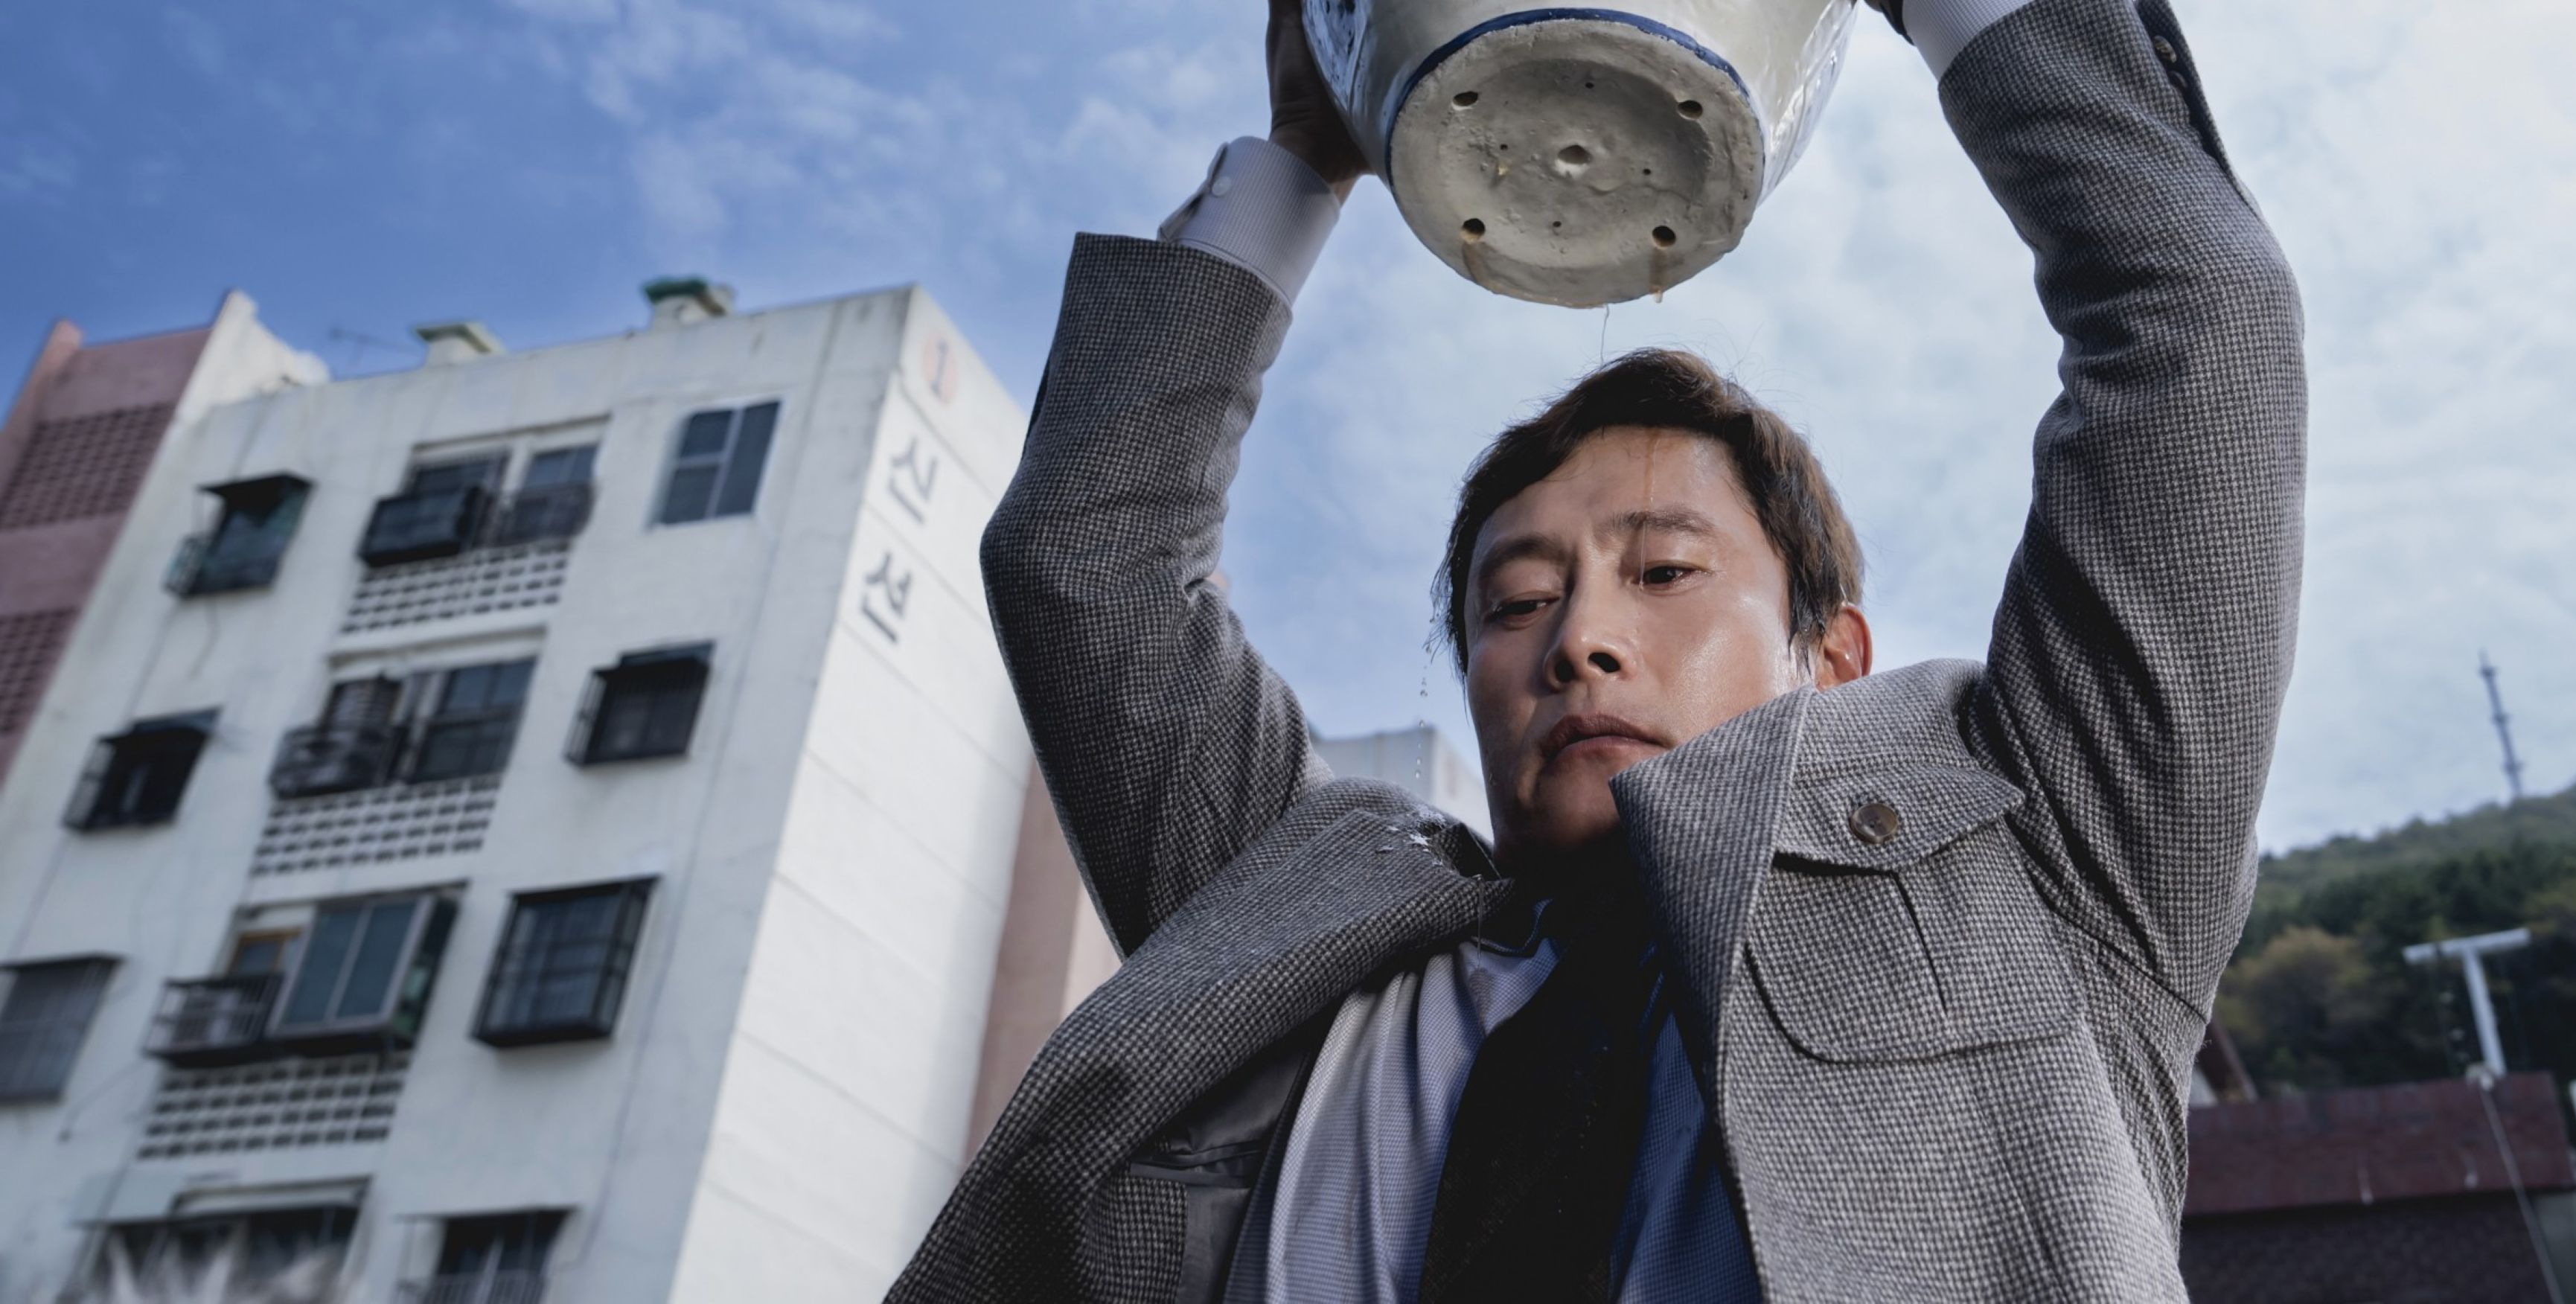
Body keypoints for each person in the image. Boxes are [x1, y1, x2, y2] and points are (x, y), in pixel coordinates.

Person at [889, 0, 2303, 1297]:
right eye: (1514, 603)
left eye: (1666, 572)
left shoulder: (2046, 859)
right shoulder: (1297, 933)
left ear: (1831, 657)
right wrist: (1306, 154)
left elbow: (2199, 318)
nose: (1579, 642)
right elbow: (1088, 559)